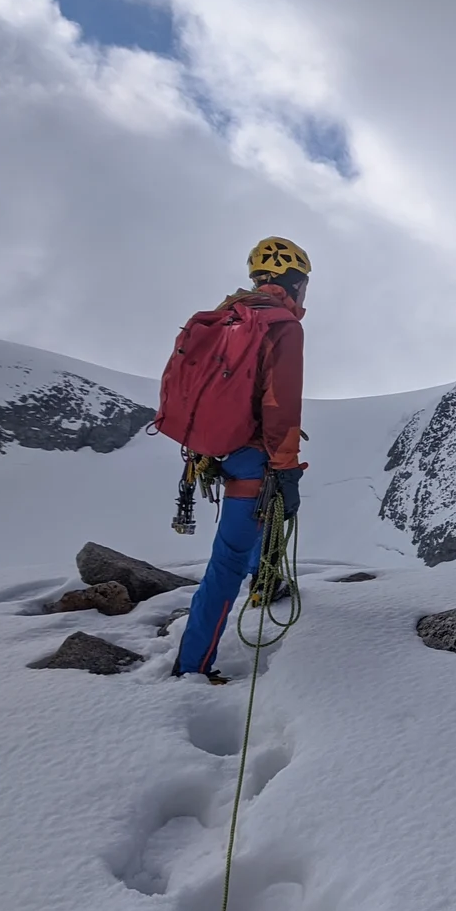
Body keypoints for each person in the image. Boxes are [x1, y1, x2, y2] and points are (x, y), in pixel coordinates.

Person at [172, 237, 311, 680]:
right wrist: (286, 470)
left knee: (255, 527)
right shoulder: (282, 325)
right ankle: (192, 667)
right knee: (227, 561)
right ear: (295, 284)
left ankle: (266, 582)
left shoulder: (227, 316)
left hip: (212, 451)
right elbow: (280, 407)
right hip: (254, 456)